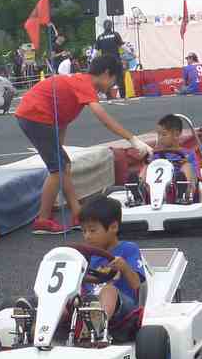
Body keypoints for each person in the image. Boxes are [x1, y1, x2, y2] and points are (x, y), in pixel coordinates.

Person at [15, 54, 153, 235]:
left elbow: (62, 118)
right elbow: (103, 118)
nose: (113, 85)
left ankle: (77, 213)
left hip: (35, 115)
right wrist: (133, 139)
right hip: (35, 115)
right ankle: (42, 220)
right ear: (106, 73)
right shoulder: (85, 84)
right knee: (57, 170)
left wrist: (59, 147)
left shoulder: (78, 82)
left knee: (64, 166)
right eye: (113, 80)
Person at [79, 196, 145, 329]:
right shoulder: (86, 256)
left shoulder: (128, 249)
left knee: (109, 290)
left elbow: (139, 286)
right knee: (66, 298)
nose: (87, 236)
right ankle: (44, 328)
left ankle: (96, 327)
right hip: (90, 302)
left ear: (113, 227)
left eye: (92, 231)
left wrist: (125, 268)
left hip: (123, 307)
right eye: (84, 231)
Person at [143, 114, 199, 202]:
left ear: (176, 134)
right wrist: (149, 163)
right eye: (158, 135)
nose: (160, 138)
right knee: (147, 167)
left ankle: (182, 194)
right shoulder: (155, 154)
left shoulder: (188, 154)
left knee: (187, 166)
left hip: (177, 186)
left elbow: (196, 176)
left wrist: (184, 163)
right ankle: (140, 192)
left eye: (164, 134)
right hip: (156, 189)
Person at [95, 20, 125, 98]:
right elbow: (122, 46)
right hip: (116, 60)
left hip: (106, 62)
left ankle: (109, 96)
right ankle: (123, 96)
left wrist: (93, 60)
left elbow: (96, 51)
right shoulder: (115, 34)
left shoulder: (100, 37)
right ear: (111, 26)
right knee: (120, 78)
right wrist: (131, 54)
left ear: (103, 26)